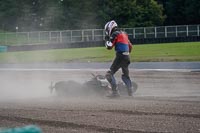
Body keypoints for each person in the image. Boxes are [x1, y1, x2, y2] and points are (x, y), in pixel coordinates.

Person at [104, 20, 134, 97]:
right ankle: (130, 92)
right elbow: (130, 46)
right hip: (127, 57)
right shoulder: (124, 33)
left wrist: (107, 39)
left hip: (120, 56)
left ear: (110, 28)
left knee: (109, 74)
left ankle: (115, 93)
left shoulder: (115, 34)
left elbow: (109, 46)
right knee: (125, 75)